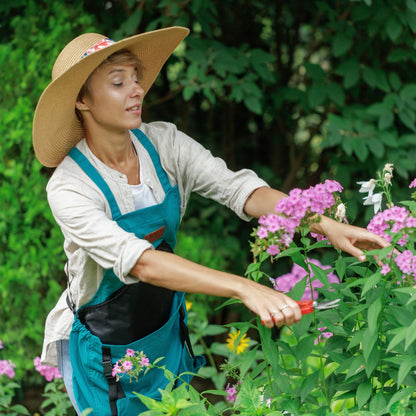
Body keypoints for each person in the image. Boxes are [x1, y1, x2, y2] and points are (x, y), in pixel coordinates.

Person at [32, 27, 388, 415]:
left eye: (136, 78)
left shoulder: (164, 143)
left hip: (161, 330)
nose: (137, 90)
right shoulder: (70, 188)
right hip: (102, 349)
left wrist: (322, 223)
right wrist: (244, 289)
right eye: (118, 82)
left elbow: (241, 190)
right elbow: (141, 261)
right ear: (82, 100)